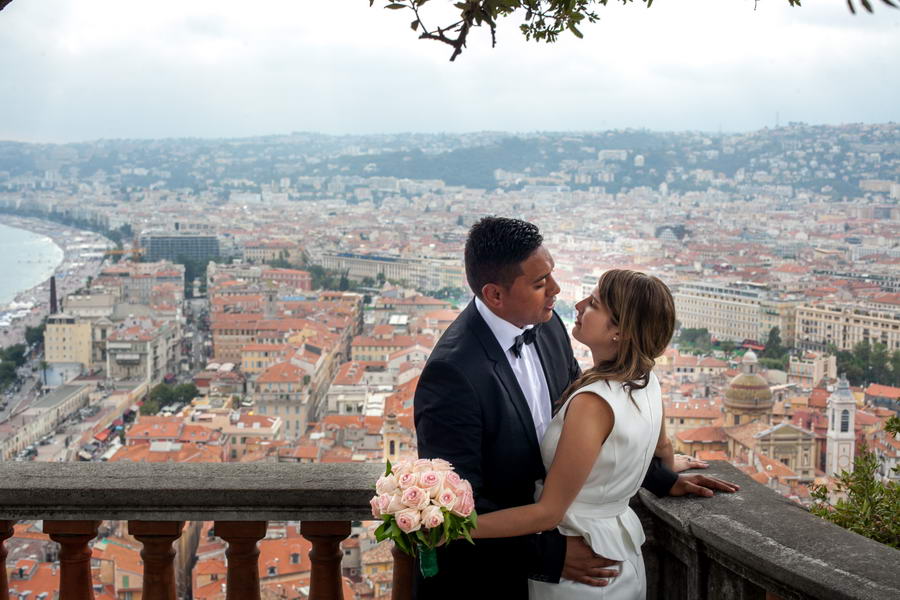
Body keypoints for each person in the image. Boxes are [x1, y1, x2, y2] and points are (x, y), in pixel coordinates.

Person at [414, 217, 738, 599]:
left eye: (551, 274)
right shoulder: (451, 373)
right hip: (496, 577)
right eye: (539, 283)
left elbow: (594, 435)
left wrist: (656, 477)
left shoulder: (548, 326)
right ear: (494, 294)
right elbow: (460, 502)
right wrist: (547, 555)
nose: (557, 289)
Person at [471, 268, 680, 599]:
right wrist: (664, 476)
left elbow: (548, 512)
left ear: (621, 331)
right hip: (621, 552)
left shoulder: (592, 403)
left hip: (580, 560)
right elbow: (663, 450)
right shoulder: (647, 380)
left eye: (595, 304)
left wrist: (454, 529)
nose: (580, 304)